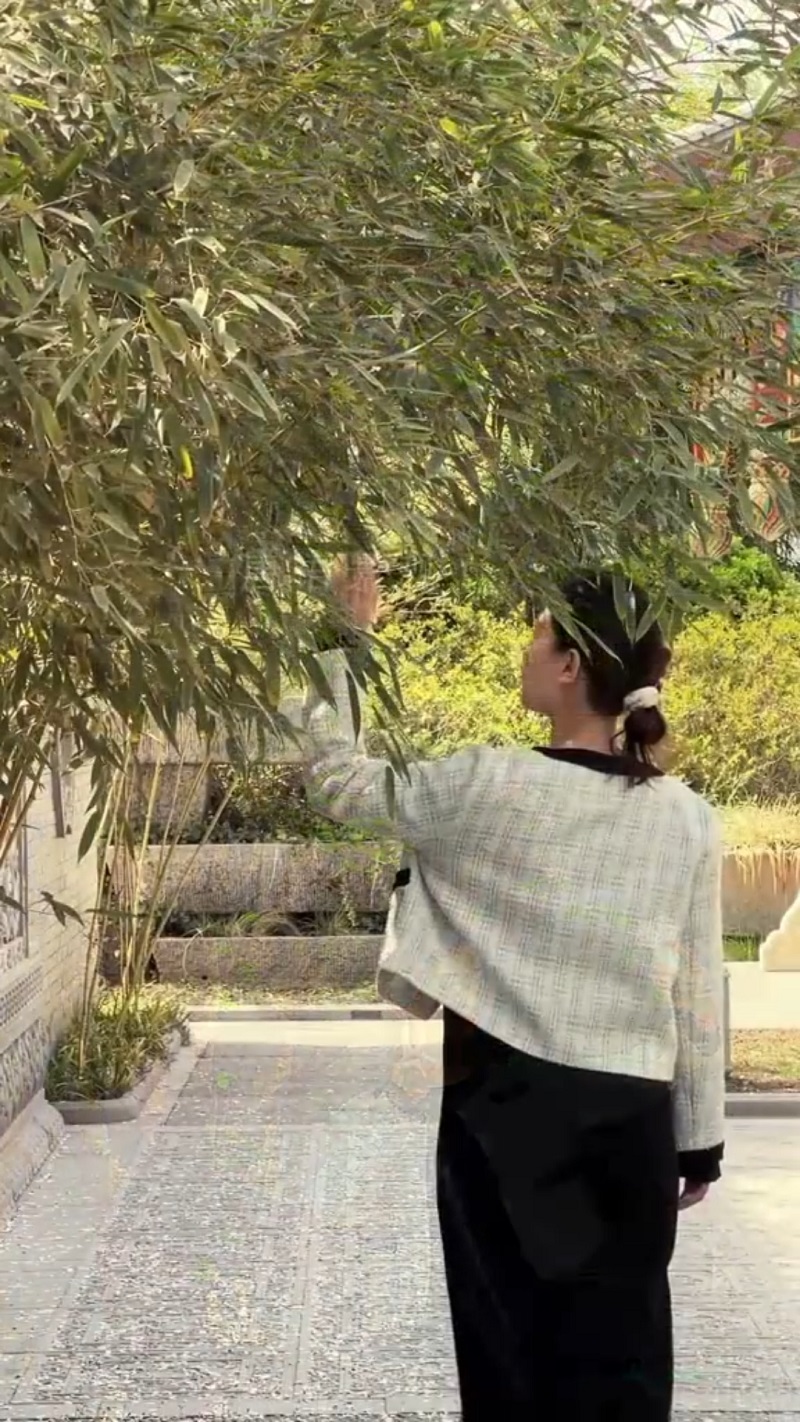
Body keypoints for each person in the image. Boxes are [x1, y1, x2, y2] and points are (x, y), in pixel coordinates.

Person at [302, 561, 725, 1421]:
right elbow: (700, 990)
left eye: (538, 633)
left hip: (505, 1112)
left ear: (571, 665)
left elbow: (340, 782)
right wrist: (699, 1140)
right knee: (625, 1369)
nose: (526, 647)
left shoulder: (485, 785)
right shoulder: (686, 815)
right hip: (630, 1124)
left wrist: (342, 644)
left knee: (509, 1362)